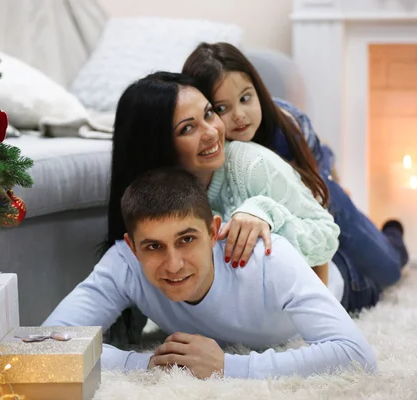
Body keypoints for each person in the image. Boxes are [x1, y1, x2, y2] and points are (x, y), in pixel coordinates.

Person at [44, 167, 376, 379]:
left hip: (341, 280)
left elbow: (356, 354)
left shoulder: (270, 259)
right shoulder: (124, 263)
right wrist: (142, 364)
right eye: (153, 247)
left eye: (186, 240)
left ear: (215, 230)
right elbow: (50, 343)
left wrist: (228, 367)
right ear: (132, 247)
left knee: (385, 260)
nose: (173, 264)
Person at [104, 71, 341, 346]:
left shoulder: (251, 164)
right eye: (187, 128)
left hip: (326, 278)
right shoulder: (147, 199)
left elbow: (327, 238)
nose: (213, 132)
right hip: (257, 310)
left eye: (208, 114)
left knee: (385, 263)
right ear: (158, 146)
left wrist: (265, 211)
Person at [182, 42, 409, 313]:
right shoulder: (214, 153)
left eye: (246, 98)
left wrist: (333, 180)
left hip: (323, 195)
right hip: (294, 212)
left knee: (390, 271)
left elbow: (318, 154)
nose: (240, 115)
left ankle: (393, 234)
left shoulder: (281, 129)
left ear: (258, 91)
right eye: (222, 108)